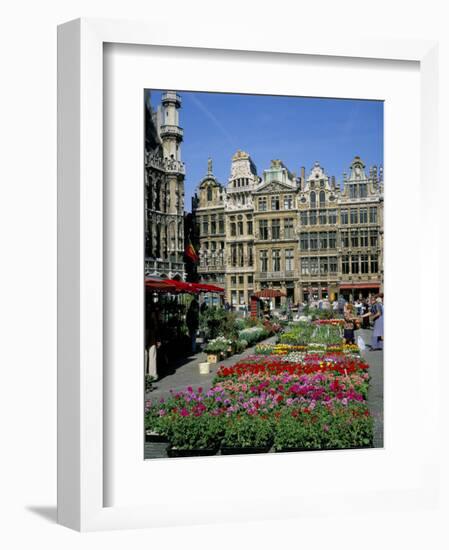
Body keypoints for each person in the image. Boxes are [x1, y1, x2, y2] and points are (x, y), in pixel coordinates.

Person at [146, 305, 161, 381]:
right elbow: (156, 326)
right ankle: (152, 375)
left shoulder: (152, 314)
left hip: (151, 337)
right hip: (151, 337)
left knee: (149, 356)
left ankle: (150, 375)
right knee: (152, 356)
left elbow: (156, 327)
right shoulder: (153, 314)